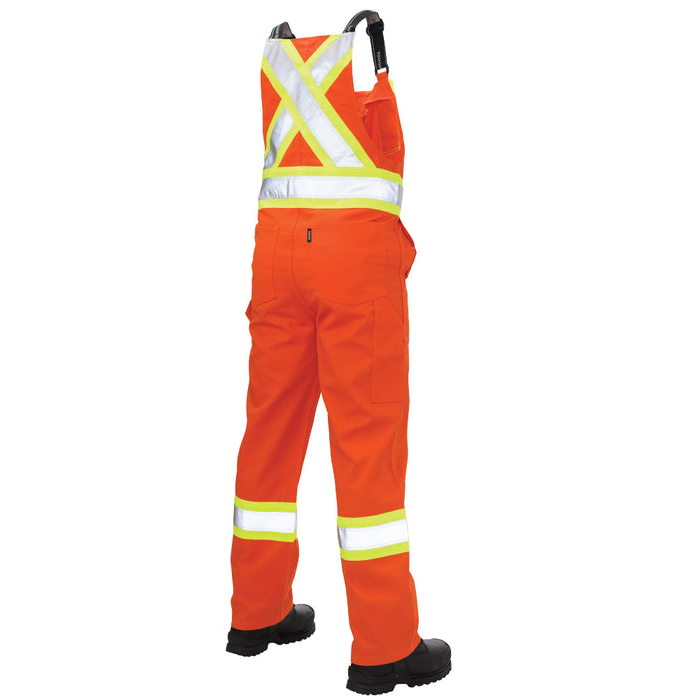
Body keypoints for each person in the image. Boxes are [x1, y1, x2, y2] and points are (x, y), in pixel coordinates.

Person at [226, 11, 451, 694]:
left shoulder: (278, 58)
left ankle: (255, 614)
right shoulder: (367, 47)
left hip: (276, 254)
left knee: (269, 432)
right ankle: (384, 648)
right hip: (354, 262)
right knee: (367, 443)